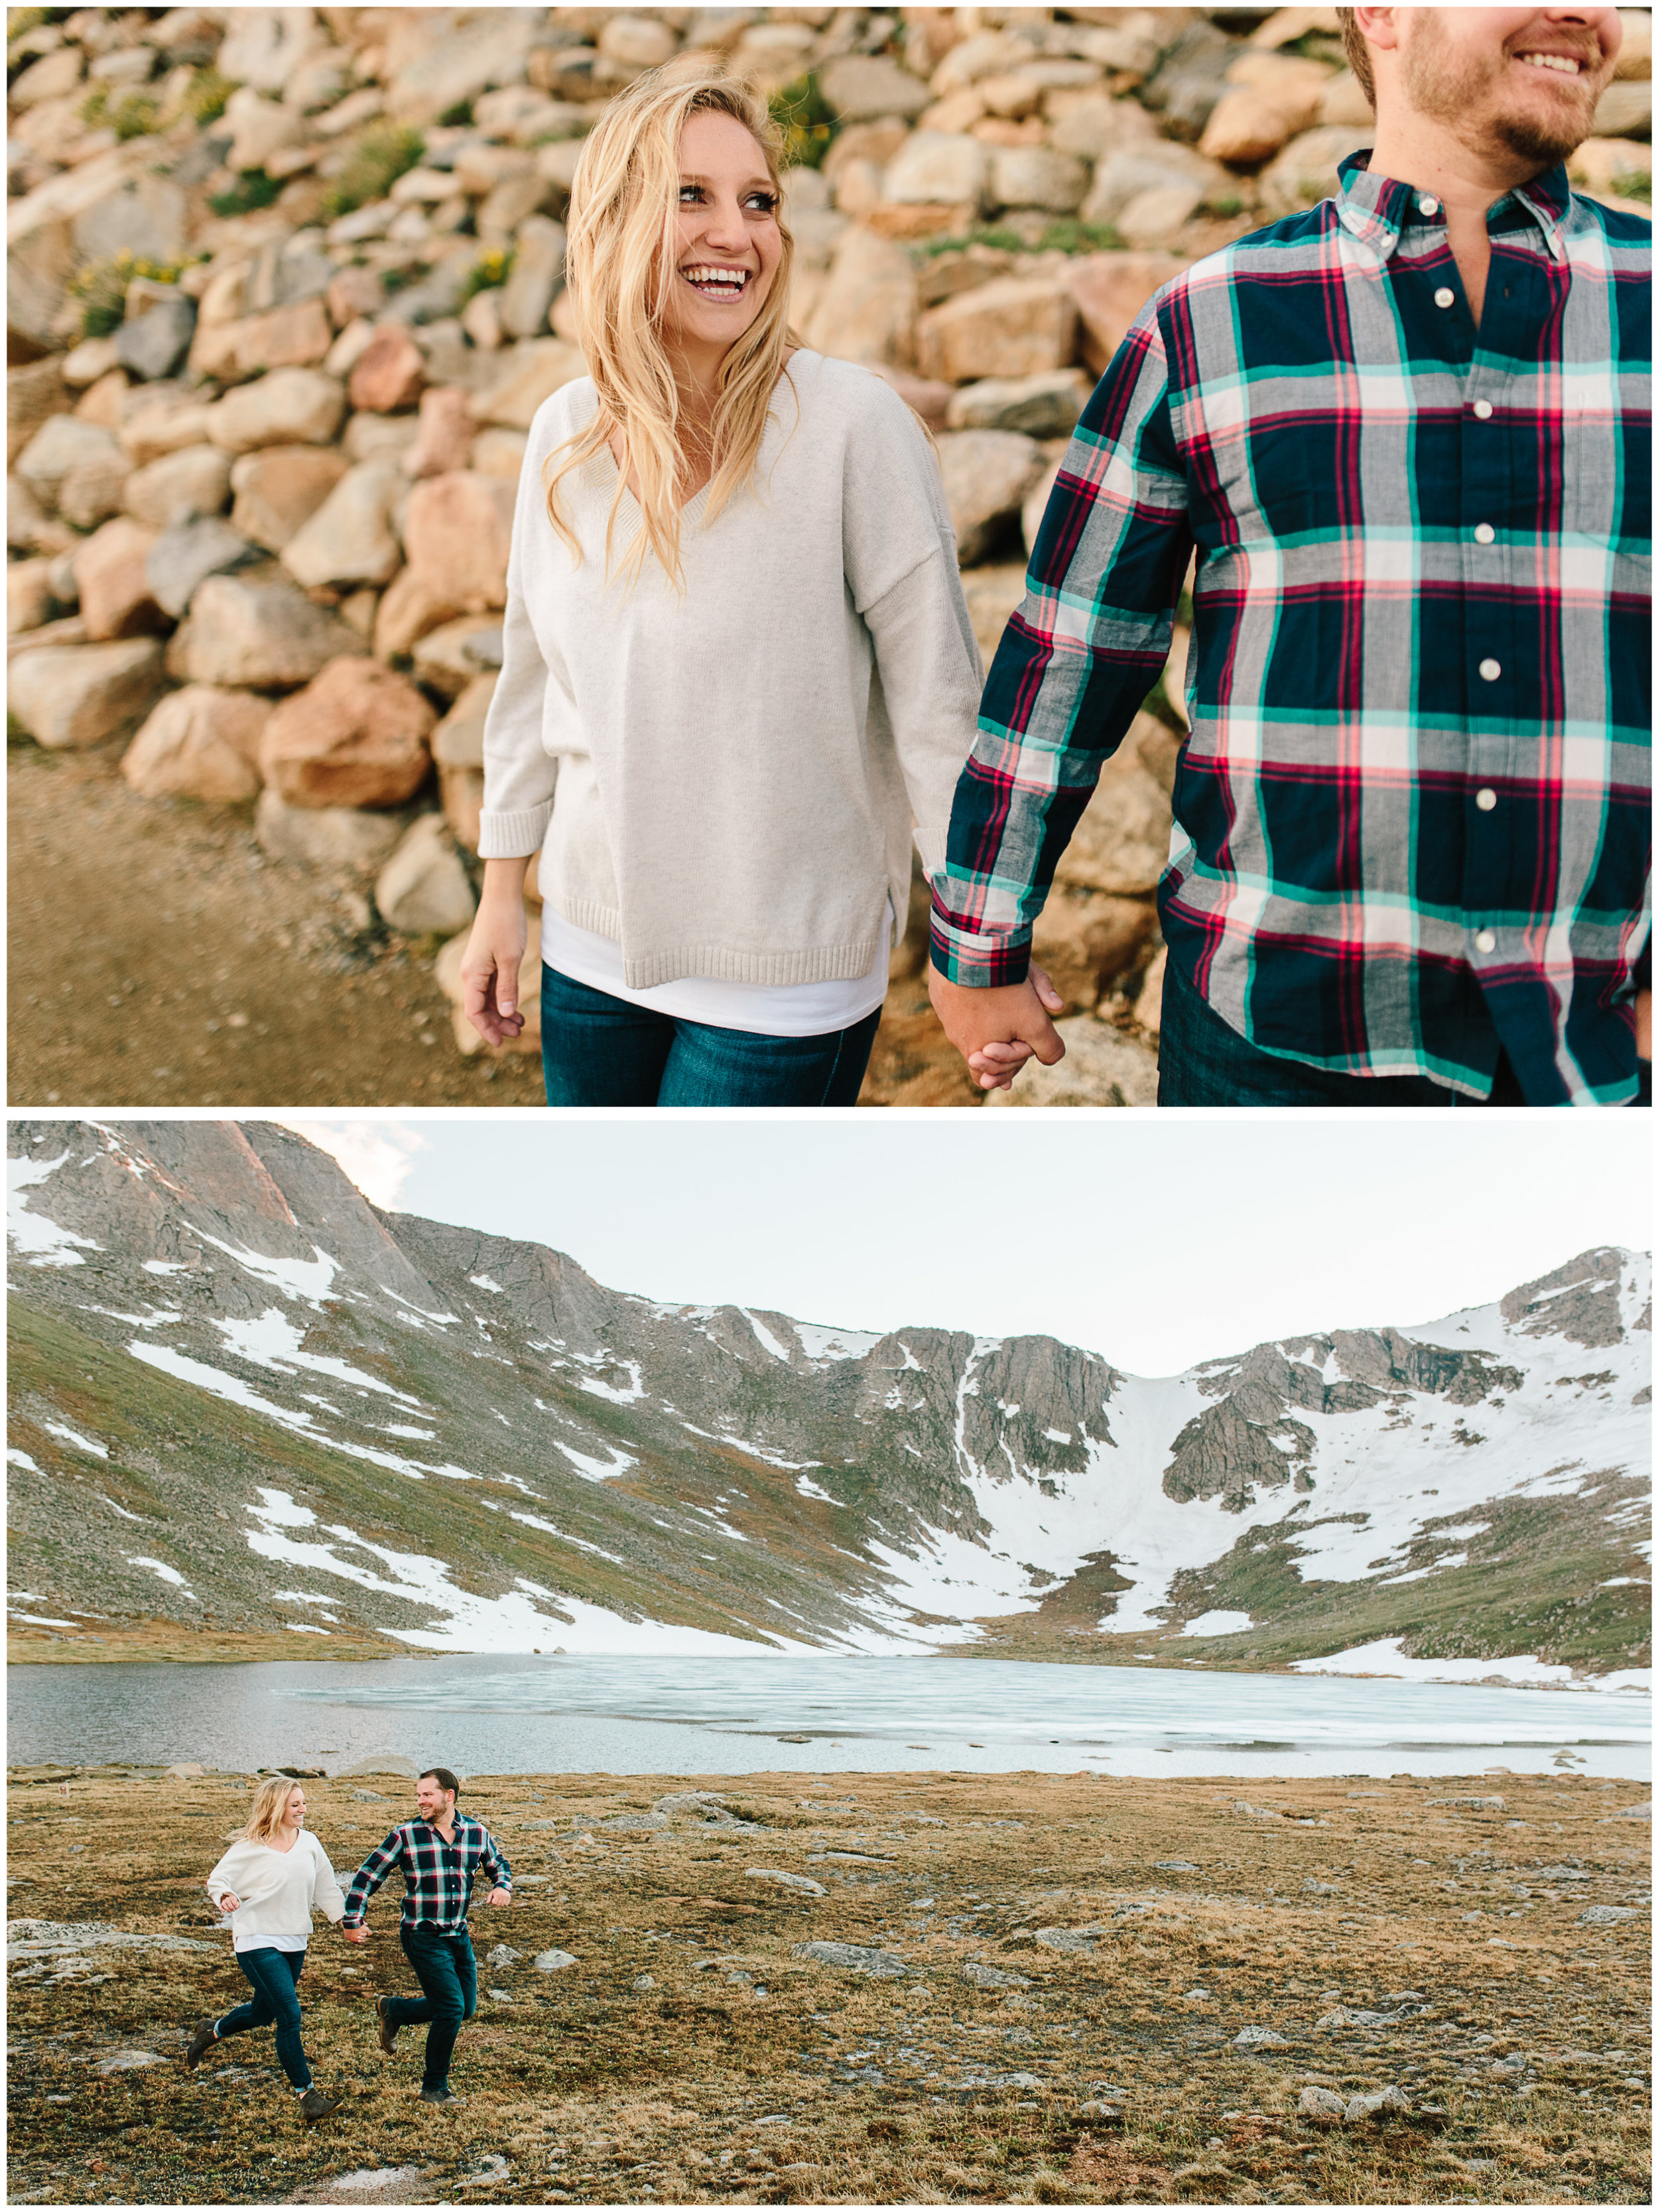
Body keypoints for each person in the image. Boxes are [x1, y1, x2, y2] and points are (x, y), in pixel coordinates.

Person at [929, 5, 1650, 1108]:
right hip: (1269, 1044)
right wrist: (981, 943)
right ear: (1382, 15)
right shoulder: (1209, 321)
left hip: (1595, 1048)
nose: (1590, 15)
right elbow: (1073, 654)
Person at [460, 60, 1000, 1106]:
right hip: (587, 942)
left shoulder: (852, 426)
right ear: (614, 222)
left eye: (759, 202)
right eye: (691, 196)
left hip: (784, 979)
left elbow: (940, 710)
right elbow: (530, 683)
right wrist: (500, 895)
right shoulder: (564, 433)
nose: (736, 232)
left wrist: (975, 947)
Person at [340, 1766, 513, 2109]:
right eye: (418, 1795)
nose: (420, 1801)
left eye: (427, 1795)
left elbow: (499, 1865)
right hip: (421, 1935)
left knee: (465, 2008)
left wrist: (502, 1885)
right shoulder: (406, 1835)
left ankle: (395, 2010)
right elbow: (367, 1875)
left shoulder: (476, 1833)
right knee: (450, 2009)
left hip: (458, 1934)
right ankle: (434, 2088)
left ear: (448, 1796)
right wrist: (352, 1920)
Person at [185, 1778, 347, 2122]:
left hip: (295, 1938)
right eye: (295, 1805)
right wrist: (225, 1896)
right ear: (276, 1807)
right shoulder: (250, 1845)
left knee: (263, 2012)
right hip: (256, 1938)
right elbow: (218, 1880)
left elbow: (326, 1888)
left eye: (303, 1803)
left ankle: (211, 2032)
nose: (303, 1809)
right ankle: (307, 2095)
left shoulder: (310, 1843)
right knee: (289, 2015)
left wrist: (346, 1923)